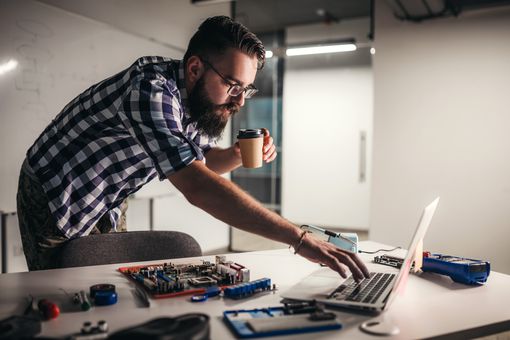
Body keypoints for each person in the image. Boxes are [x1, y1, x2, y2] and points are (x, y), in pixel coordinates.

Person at [17, 15, 369, 280]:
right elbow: (197, 185)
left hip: (109, 196)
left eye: (246, 90)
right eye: (232, 85)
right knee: (61, 293)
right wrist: (298, 237)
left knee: (112, 286)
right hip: (55, 192)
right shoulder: (150, 91)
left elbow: (202, 162)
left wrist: (237, 156)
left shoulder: (197, 102)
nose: (239, 102)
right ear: (195, 68)